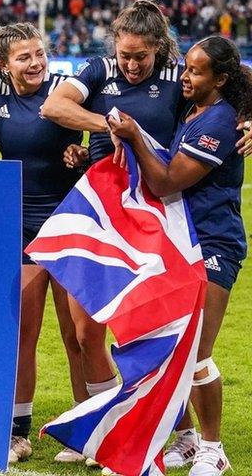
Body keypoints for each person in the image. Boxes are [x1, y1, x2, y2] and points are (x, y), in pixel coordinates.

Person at [109, 36, 248, 476]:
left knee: (197, 352)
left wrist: (133, 135)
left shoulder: (221, 122)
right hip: (178, 243)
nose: (185, 77)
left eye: (196, 71)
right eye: (185, 68)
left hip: (212, 245)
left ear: (221, 79)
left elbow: (169, 182)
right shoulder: (196, 109)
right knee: (171, 349)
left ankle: (213, 447)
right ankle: (187, 440)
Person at [41, 0, 179, 427]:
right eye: (125, 56)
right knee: (86, 332)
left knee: (146, 331)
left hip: (157, 213)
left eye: (142, 56)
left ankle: (171, 429)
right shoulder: (99, 70)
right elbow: (54, 106)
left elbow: (236, 84)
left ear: (159, 47)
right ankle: (107, 425)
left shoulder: (178, 75)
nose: (132, 65)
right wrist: (109, 127)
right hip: (99, 210)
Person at [0, 23, 88, 464]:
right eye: (24, 57)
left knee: (79, 334)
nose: (36, 62)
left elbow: (108, 124)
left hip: (70, 223)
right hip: (20, 227)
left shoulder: (66, 89)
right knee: (23, 333)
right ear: (3, 65)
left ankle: (87, 426)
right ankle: (18, 432)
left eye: (39, 53)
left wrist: (82, 153)